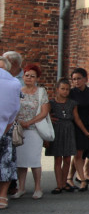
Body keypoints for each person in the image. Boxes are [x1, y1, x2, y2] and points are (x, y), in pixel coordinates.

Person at [14, 63, 48, 200]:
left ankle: (38, 187)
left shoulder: (41, 92)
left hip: (34, 129)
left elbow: (44, 112)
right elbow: (12, 108)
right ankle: (21, 187)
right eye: (27, 75)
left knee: (34, 160)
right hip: (20, 129)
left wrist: (30, 122)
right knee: (20, 161)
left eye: (32, 76)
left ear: (36, 78)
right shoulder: (18, 91)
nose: (29, 78)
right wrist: (19, 121)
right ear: (23, 76)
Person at [69, 68, 89, 192]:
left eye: (79, 78)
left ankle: (69, 176)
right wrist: (85, 131)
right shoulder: (71, 93)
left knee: (80, 153)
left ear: (85, 79)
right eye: (74, 79)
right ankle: (82, 180)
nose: (76, 81)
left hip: (88, 121)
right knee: (78, 153)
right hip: (76, 124)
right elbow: (74, 115)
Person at [46, 79, 76, 194]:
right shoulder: (51, 103)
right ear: (57, 89)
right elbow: (46, 116)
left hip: (68, 129)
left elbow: (76, 118)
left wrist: (85, 131)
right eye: (62, 89)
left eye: (67, 89)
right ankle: (58, 184)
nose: (65, 91)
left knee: (67, 158)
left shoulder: (72, 103)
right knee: (58, 158)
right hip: (57, 129)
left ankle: (64, 183)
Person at [0, 56, 21, 208]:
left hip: (6, 128)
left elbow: (15, 108)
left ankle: (2, 195)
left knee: (6, 162)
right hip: (6, 127)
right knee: (6, 162)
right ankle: (2, 196)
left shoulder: (13, 83)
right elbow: (15, 109)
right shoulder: (14, 83)